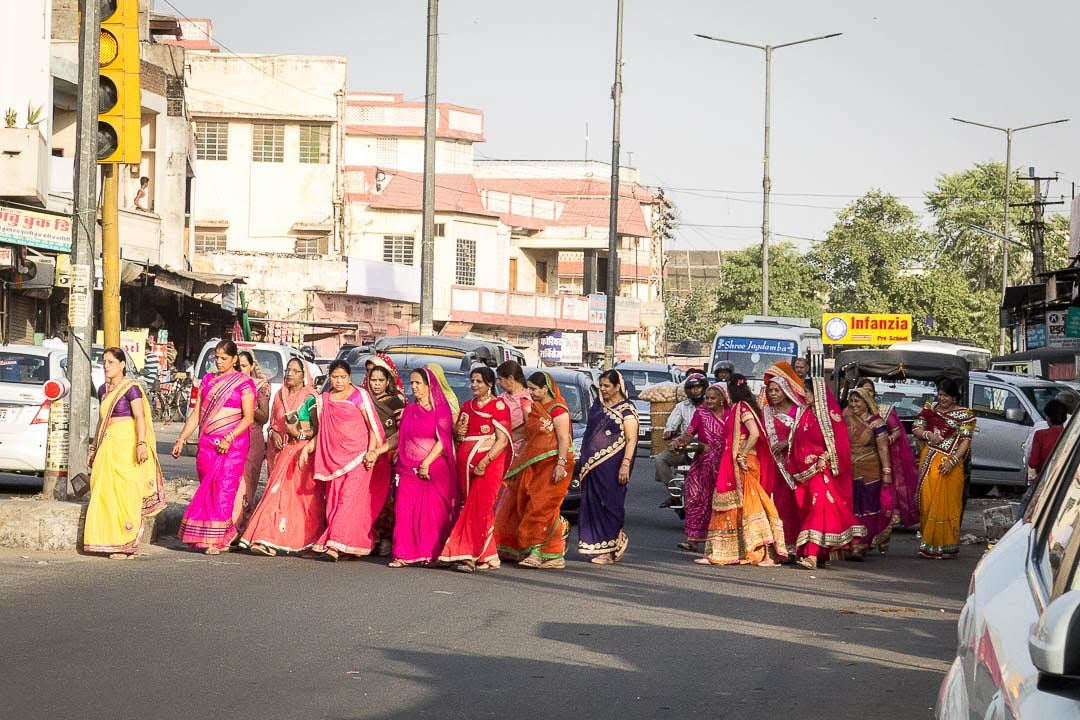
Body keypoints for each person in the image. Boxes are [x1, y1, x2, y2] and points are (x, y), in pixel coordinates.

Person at [173, 340, 256, 554]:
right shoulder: (208, 381)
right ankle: (207, 535)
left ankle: (216, 541)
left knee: (224, 490)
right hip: (208, 443)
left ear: (234, 359)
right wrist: (182, 438)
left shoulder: (244, 384)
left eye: (223, 358)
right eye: (216, 357)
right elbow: (197, 414)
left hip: (233, 445)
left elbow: (248, 418)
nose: (218, 362)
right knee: (207, 488)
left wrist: (229, 437)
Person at [83, 347, 167, 558]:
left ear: (122, 365)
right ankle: (105, 540)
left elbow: (140, 417)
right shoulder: (103, 390)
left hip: (126, 444)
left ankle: (125, 543)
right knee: (102, 491)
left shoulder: (131, 388)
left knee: (124, 492)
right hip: (108, 443)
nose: (106, 366)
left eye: (111, 362)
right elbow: (102, 421)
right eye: (104, 362)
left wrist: (141, 444)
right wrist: (93, 447)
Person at [696, 375, 787, 566]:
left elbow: (753, 433)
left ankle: (767, 553)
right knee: (736, 506)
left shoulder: (742, 408)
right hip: (733, 463)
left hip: (743, 464)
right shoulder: (738, 408)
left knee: (754, 505)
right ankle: (727, 551)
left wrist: (742, 455)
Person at [238, 358, 326, 556]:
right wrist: (275, 433)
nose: (289, 374)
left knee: (298, 501)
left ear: (304, 377)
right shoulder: (280, 395)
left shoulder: (311, 397)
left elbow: (317, 429)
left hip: (303, 454)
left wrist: (299, 434)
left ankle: (301, 539)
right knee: (274, 495)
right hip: (281, 452)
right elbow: (273, 423)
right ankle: (264, 536)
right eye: (288, 370)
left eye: (295, 371)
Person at [494, 371, 574, 568]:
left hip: (553, 465)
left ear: (545, 388)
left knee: (541, 506)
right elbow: (525, 432)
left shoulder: (558, 410)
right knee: (527, 504)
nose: (530, 392)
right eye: (529, 388)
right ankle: (553, 555)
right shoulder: (536, 408)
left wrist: (560, 465)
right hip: (532, 465)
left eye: (534, 388)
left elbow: (564, 439)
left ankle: (538, 552)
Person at [309, 360, 386, 561]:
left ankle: (334, 544)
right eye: (335, 377)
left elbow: (373, 427)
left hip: (359, 457)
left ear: (350, 377)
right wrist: (308, 447)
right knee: (334, 500)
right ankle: (350, 546)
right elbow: (323, 430)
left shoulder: (359, 395)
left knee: (349, 500)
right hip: (334, 460)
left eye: (343, 377)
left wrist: (372, 453)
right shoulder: (325, 399)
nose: (339, 381)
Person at [785, 378, 865, 569]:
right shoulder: (803, 413)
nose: (807, 396)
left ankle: (812, 555)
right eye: (805, 392)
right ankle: (819, 554)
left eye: (809, 392)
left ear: (819, 393)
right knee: (809, 511)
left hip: (822, 470)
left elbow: (840, 443)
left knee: (818, 508)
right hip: (802, 473)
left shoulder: (829, 416)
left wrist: (824, 456)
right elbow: (795, 441)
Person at [440, 365, 513, 572]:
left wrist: (484, 461)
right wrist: (458, 432)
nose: (474, 385)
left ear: (490, 384)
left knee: (478, 505)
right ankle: (487, 554)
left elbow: (502, 441)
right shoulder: (467, 406)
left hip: (489, 464)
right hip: (465, 463)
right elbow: (460, 436)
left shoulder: (498, 407)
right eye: (472, 381)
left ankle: (467, 553)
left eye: (479, 381)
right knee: (475, 507)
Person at [391, 366, 460, 567]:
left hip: (433, 469)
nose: (414, 387)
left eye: (418, 383)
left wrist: (426, 463)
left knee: (431, 514)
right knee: (404, 511)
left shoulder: (441, 411)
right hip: (407, 468)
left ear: (429, 386)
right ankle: (403, 554)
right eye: (412, 383)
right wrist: (378, 451)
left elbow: (443, 440)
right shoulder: (409, 411)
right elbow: (400, 438)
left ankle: (428, 553)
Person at [578, 369, 639, 564]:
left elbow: (631, 440)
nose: (603, 390)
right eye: (601, 386)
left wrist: (625, 465)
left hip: (613, 467)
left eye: (607, 386)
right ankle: (598, 546)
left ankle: (612, 545)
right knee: (592, 505)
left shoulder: (627, 411)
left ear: (617, 387)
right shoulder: (599, 406)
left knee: (610, 505)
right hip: (593, 467)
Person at [912, 378, 975, 559]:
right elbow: (916, 428)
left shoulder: (965, 415)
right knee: (928, 501)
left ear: (954, 396)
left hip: (951, 465)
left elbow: (965, 441)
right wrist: (928, 434)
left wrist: (952, 461)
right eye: (940, 394)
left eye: (946, 395)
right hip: (929, 459)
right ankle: (928, 544)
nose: (942, 398)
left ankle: (946, 545)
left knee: (949, 504)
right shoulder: (930, 409)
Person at [669, 384, 729, 553]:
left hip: (723, 464)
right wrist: (678, 442)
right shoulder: (700, 414)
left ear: (722, 399)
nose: (709, 401)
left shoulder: (730, 415)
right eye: (707, 398)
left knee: (717, 501)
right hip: (702, 461)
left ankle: (717, 541)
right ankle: (693, 539)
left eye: (713, 398)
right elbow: (688, 433)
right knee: (694, 496)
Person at [856, 379, 919, 528]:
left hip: (882, 456)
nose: (867, 393)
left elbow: (896, 431)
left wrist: (884, 440)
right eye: (864, 390)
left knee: (882, 493)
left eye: (870, 390)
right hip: (860, 460)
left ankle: (884, 525)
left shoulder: (883, 410)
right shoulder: (853, 412)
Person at [760, 362, 805, 558]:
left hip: (794, 466)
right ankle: (779, 546)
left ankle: (796, 545)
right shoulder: (766, 413)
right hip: (772, 467)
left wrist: (788, 443)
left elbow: (808, 435)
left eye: (777, 390)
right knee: (776, 505)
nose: (773, 394)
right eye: (770, 391)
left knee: (794, 505)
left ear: (786, 390)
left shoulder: (800, 412)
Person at [843, 386, 893, 558]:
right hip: (848, 469)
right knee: (850, 507)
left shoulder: (876, 423)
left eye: (857, 401)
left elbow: (883, 448)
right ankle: (850, 544)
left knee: (869, 508)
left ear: (866, 402)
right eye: (851, 401)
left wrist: (887, 472)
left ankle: (862, 545)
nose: (854, 404)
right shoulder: (845, 418)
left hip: (870, 470)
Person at [365, 355, 406, 556]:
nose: (377, 384)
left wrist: (396, 451)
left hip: (387, 455)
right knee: (365, 497)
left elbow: (401, 432)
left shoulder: (395, 402)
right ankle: (368, 536)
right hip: (365, 453)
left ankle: (386, 537)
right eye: (373, 379)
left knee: (386, 500)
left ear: (388, 380)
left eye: (381, 380)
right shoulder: (362, 399)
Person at [653, 373, 708, 488]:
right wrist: (669, 431)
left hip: (706, 447)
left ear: (704, 388)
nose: (695, 391)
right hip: (685, 446)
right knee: (660, 460)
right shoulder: (681, 406)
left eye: (698, 387)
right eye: (692, 388)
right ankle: (675, 489)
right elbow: (671, 424)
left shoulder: (711, 406)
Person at [236, 350, 271, 529]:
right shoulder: (229, 384)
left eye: (243, 366)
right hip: (232, 437)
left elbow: (264, 417)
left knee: (247, 482)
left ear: (251, 366)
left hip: (251, 439)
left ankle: (241, 525)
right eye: (237, 366)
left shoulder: (260, 386)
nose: (240, 370)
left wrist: (247, 405)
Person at [1029, 399, 1068, 479]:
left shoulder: (1040, 435)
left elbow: (1033, 462)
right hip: (1064, 479)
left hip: (1044, 478)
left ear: (1049, 418)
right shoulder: (1070, 435)